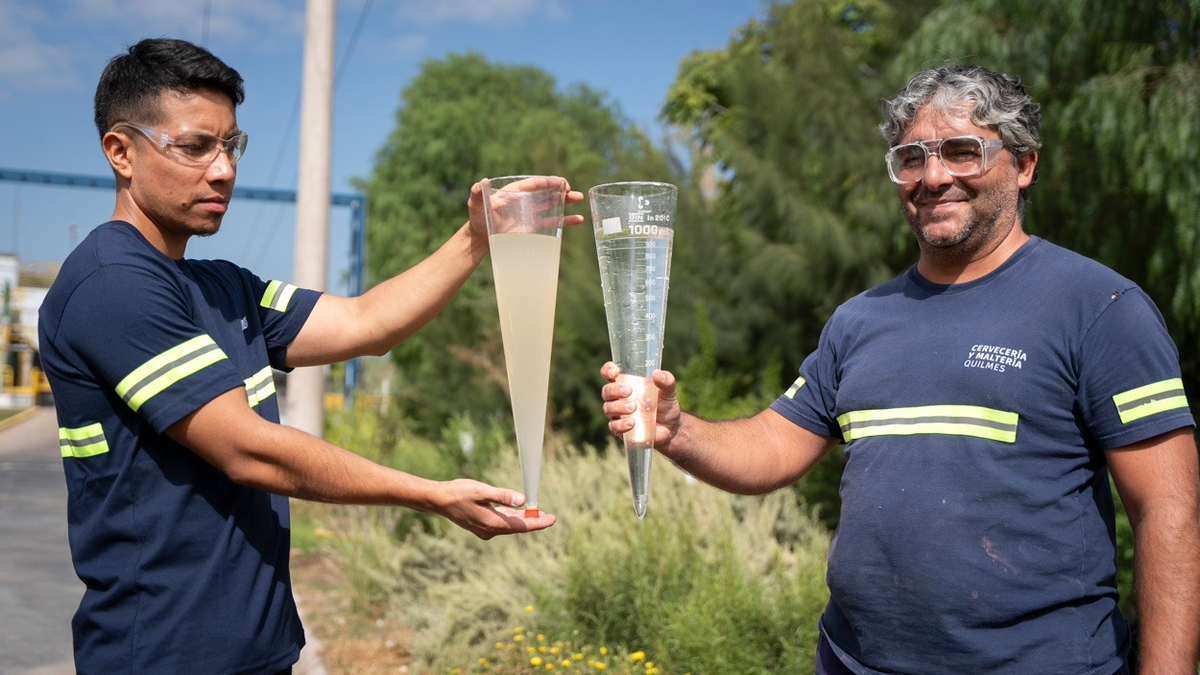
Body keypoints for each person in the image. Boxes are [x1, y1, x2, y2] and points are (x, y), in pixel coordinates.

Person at [601, 65, 1200, 674]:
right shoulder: (859, 320)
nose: (933, 177)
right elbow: (775, 445)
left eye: (963, 152)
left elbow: (1169, 513)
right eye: (911, 158)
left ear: (1024, 165)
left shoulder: (1100, 308)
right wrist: (676, 430)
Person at [39, 38, 576, 674]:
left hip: (260, 653)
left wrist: (475, 237)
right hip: (164, 656)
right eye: (195, 146)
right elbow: (249, 449)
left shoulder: (223, 286)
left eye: (231, 145)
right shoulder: (111, 284)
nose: (223, 170)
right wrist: (430, 494)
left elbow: (365, 322)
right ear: (120, 152)